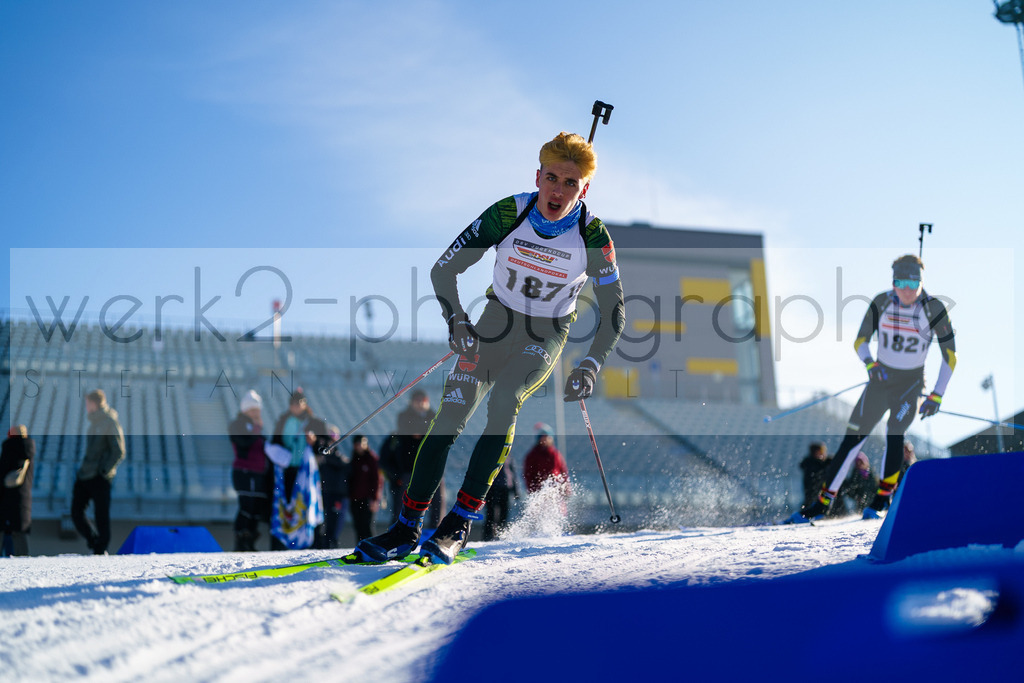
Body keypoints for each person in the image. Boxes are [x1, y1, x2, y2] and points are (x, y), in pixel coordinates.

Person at [357, 131, 624, 564]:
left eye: (570, 183)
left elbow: (615, 310)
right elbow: (443, 270)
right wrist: (456, 320)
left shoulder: (592, 235)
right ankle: (406, 527)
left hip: (545, 333)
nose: (557, 191)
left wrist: (591, 363)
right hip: (495, 323)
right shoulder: (508, 213)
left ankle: (460, 521)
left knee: (505, 400)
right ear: (537, 177)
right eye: (551, 178)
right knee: (450, 415)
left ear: (584, 189)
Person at [788, 255, 956, 523]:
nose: (907, 290)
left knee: (895, 432)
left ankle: (882, 499)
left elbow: (950, 355)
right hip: (881, 380)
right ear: (893, 282)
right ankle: (822, 503)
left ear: (921, 282)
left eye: (913, 283)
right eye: (900, 283)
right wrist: (870, 364)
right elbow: (860, 341)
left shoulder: (934, 308)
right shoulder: (881, 301)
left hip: (910, 384)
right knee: (853, 439)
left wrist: (937, 394)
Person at [266, 389, 327, 550]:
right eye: (293, 403)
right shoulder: (282, 421)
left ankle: (310, 545)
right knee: (285, 508)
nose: (296, 406)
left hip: (307, 473)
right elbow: (275, 443)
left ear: (305, 404)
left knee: (307, 505)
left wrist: (315, 442)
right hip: (287, 471)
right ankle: (282, 545)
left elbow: (326, 447)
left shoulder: (315, 422)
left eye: (299, 402)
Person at [71, 389, 126, 554]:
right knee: (76, 512)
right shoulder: (94, 423)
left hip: (100, 476)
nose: (86, 407)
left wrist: (103, 470)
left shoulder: (110, 422)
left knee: (101, 515)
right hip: (85, 474)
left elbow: (118, 451)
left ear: (95, 403)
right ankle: (94, 542)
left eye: (88, 403)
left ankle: (100, 549)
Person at [228, 390, 270, 551]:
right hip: (244, 471)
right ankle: (240, 540)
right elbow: (242, 443)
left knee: (256, 508)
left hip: (259, 472)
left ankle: (250, 540)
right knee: (246, 505)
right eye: (252, 410)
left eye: (257, 410)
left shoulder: (256, 427)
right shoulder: (238, 424)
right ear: (245, 410)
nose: (256, 413)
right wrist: (256, 430)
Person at [522, 423, 572, 515]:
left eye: (548, 437)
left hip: (555, 489)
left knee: (557, 512)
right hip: (540, 490)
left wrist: (566, 487)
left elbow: (563, 471)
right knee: (542, 513)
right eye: (543, 437)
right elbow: (528, 474)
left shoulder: (555, 454)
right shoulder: (533, 455)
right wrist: (532, 489)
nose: (546, 440)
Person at [1, 425, 35, 556]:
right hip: (23, 498)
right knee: (20, 532)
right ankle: (24, 560)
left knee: (4, 532)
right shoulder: (28, 450)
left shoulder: (10, 448)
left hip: (6, 498)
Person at [318, 423, 351, 549]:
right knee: (325, 521)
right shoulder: (322, 457)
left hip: (338, 494)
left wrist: (328, 455)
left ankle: (332, 544)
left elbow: (344, 464)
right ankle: (324, 544)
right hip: (326, 492)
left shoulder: (338, 456)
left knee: (335, 522)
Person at [347, 435, 382, 544]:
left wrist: (375, 499)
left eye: (361, 444)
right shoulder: (354, 459)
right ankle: (360, 546)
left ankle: (370, 547)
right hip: (355, 498)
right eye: (357, 444)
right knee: (358, 526)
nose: (359, 447)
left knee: (367, 526)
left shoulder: (371, 459)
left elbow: (377, 480)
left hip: (367, 498)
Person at [483, 456, 519, 542]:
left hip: (505, 487)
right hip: (491, 487)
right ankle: (488, 536)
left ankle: (501, 535)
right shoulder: (489, 454)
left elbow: (512, 472)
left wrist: (515, 489)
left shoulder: (508, 455)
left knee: (504, 513)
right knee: (491, 513)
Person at [797, 442, 830, 510]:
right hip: (813, 490)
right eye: (821, 451)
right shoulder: (810, 463)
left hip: (821, 490)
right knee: (811, 503)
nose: (823, 454)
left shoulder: (826, 462)